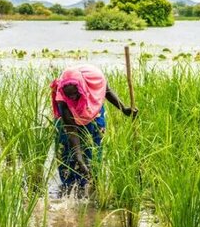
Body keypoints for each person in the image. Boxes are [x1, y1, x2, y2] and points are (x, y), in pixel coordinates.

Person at [50, 64, 137, 192]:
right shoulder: (62, 98)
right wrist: (78, 158)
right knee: (67, 154)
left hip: (92, 112)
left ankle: (89, 189)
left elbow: (106, 90)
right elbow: (71, 129)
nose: (72, 97)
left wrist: (123, 108)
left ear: (82, 88)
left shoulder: (95, 79)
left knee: (92, 153)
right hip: (68, 124)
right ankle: (69, 190)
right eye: (69, 96)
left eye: (75, 94)